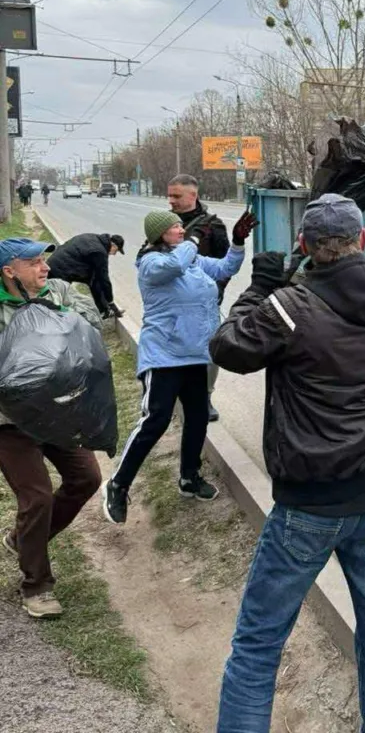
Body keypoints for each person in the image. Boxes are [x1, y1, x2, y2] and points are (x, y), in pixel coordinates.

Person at [210, 165, 365, 733]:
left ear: (304, 246)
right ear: (363, 239)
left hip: (305, 510)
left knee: (259, 643)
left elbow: (226, 347)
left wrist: (258, 286)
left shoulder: (286, 308)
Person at [102, 207, 255, 525]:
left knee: (198, 418)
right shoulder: (151, 262)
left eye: (182, 227)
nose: (182, 230)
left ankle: (189, 478)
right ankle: (118, 484)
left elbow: (226, 267)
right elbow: (174, 265)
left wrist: (238, 241)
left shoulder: (192, 260)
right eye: (175, 227)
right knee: (155, 421)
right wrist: (194, 241)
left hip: (196, 355)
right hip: (165, 356)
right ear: (159, 234)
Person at [0, 238, 103, 618]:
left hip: (57, 414)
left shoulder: (58, 290)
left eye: (44, 260)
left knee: (87, 478)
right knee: (37, 498)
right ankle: (37, 587)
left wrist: (61, 318)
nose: (44, 268)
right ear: (9, 271)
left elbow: (92, 325)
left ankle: (23, 540)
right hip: (9, 422)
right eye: (33, 263)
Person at [168, 174, 231, 423]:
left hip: (204, 303)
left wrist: (215, 291)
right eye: (170, 195)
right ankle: (173, 393)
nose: (171, 200)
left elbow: (225, 264)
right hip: (171, 301)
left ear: (193, 195)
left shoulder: (212, 226)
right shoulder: (165, 223)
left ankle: (205, 396)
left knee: (209, 351)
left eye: (176, 196)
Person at [47, 233, 126, 319]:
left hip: (54, 262)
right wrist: (111, 301)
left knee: (94, 280)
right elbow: (104, 279)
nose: (114, 254)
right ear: (113, 245)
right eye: (116, 251)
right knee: (58, 298)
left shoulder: (93, 237)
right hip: (60, 269)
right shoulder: (100, 252)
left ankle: (104, 310)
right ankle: (55, 318)